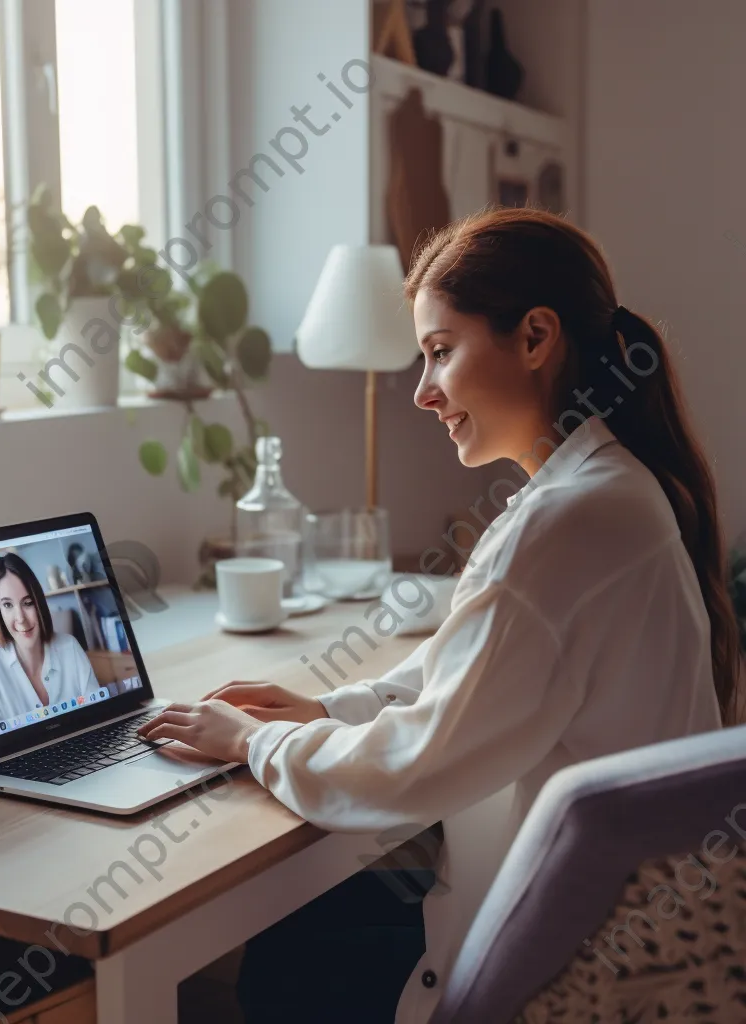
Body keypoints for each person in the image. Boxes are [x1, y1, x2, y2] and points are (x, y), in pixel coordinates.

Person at [136, 207, 743, 1023]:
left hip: (564, 973)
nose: (422, 392)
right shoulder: (611, 489)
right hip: (627, 943)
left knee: (283, 961)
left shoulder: (563, 522)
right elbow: (464, 668)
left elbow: (412, 770)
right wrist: (327, 707)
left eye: (441, 352)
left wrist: (255, 741)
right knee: (311, 920)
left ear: (535, 338)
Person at [0, 552, 99, 732]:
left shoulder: (70, 647)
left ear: (38, 603)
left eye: (28, 602)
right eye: (8, 605)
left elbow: (98, 716)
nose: (21, 619)